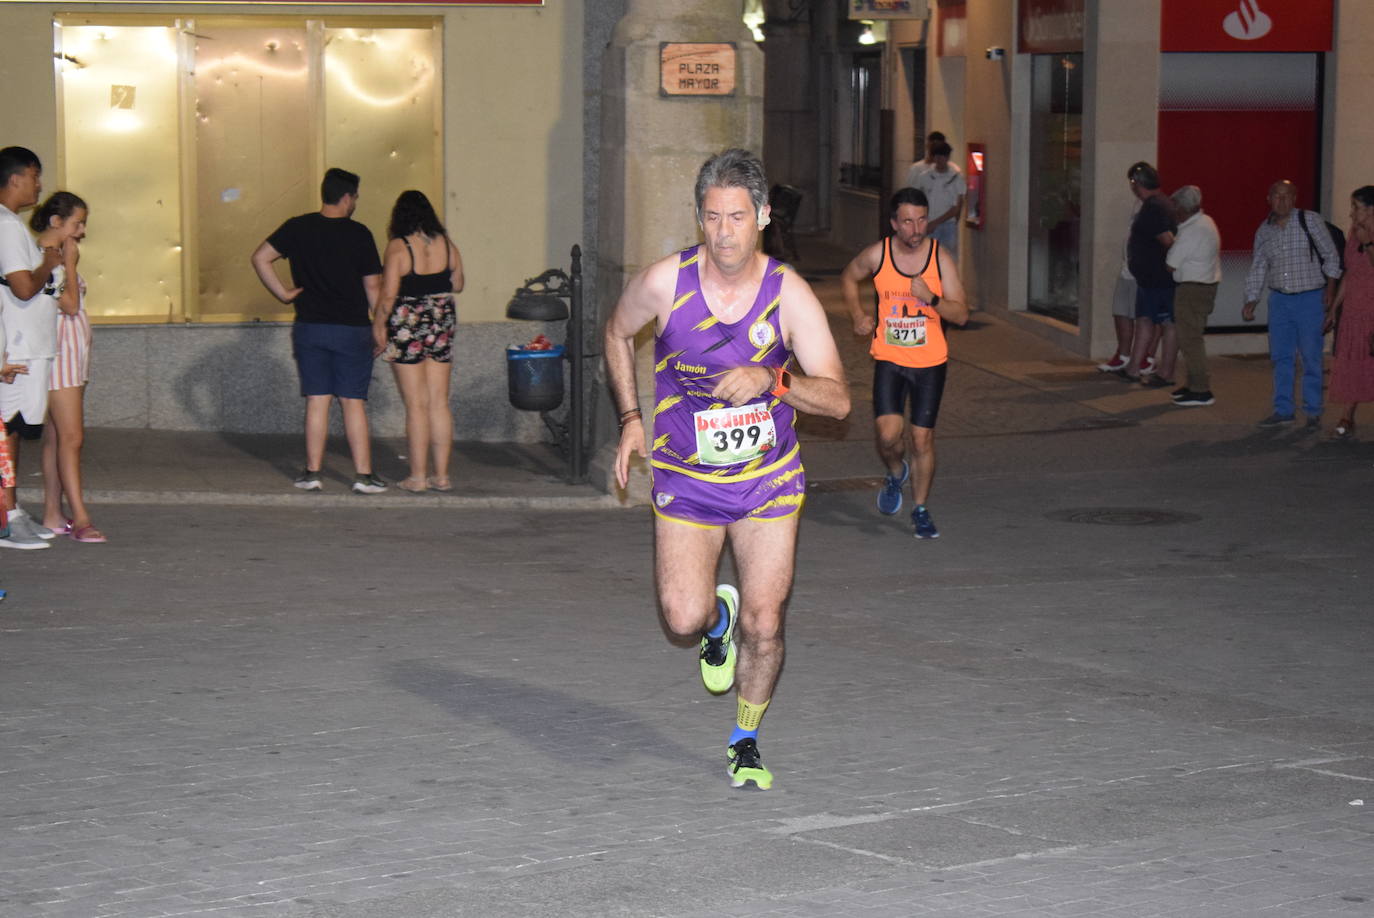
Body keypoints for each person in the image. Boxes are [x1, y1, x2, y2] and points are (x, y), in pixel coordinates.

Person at [604, 149, 849, 790]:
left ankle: (745, 737)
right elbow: (613, 332)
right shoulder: (665, 283)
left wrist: (774, 377)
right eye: (711, 217)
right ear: (699, 218)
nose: (723, 232)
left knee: (768, 624)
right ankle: (719, 618)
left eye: (737, 217)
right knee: (682, 618)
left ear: (763, 216)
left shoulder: (788, 295)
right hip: (687, 478)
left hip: (768, 480)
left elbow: (839, 398)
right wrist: (632, 418)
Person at [842, 187, 969, 539]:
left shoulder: (940, 258)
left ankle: (921, 508)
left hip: (930, 362)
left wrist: (932, 298)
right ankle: (897, 472)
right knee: (888, 436)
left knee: (922, 439)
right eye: (908, 221)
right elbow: (849, 277)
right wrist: (857, 315)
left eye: (922, 219)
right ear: (895, 223)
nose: (917, 228)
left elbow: (961, 314)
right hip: (890, 359)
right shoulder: (877, 255)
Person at [252, 167, 387, 493]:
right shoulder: (359, 234)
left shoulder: (297, 227)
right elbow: (373, 287)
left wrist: (283, 293)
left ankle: (312, 473)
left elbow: (260, 258)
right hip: (351, 328)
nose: (355, 202)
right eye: (355, 197)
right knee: (352, 401)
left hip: (310, 326)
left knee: (317, 400)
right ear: (346, 197)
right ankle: (363, 476)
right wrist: (380, 326)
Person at [371, 190, 464, 492]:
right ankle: (442, 476)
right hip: (441, 317)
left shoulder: (398, 247)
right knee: (439, 401)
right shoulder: (447, 244)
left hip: (408, 321)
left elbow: (387, 295)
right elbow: (458, 283)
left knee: (416, 404)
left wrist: (378, 326)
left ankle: (418, 477)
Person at [0, 146, 63, 550]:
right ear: (17, 177)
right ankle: (7, 518)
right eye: (36, 175)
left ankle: (12, 510)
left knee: (16, 430)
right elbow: (23, 287)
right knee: (6, 432)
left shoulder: (11, 224)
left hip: (27, 344)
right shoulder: (5, 226)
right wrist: (48, 258)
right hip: (18, 347)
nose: (39, 184)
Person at [30, 192, 103, 541]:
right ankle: (81, 517)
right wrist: (71, 265)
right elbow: (70, 305)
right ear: (57, 222)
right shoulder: (46, 259)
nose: (83, 231)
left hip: (70, 356)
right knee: (73, 438)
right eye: (78, 223)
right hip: (59, 357)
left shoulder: (54, 257)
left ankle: (52, 514)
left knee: (57, 437)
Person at [1242, 180, 1342, 429]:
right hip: (1280, 300)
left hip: (1310, 298)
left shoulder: (1309, 221)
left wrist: (1330, 290)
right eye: (1277, 196)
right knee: (1281, 357)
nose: (1282, 201)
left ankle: (1312, 409)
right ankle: (1283, 409)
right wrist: (1251, 299)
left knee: (1311, 356)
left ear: (1295, 198)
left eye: (1287, 196)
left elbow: (1331, 255)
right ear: (1269, 199)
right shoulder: (1264, 231)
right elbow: (1258, 267)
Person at [1118, 162, 1177, 386]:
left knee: (1166, 323)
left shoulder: (1155, 207)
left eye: (1133, 183)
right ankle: (1135, 367)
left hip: (1158, 279)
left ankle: (1163, 372)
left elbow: (1167, 240)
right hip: (1151, 278)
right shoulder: (1158, 204)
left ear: (1138, 184)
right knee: (1147, 320)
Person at [1325, 186, 1374, 438]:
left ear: (1371, 209)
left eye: (1356, 207)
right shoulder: (1354, 233)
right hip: (1354, 308)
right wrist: (1334, 310)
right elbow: (1350, 274)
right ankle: (1347, 415)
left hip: (1372, 307)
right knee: (1352, 361)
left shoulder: (1366, 237)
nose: (1352, 212)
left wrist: (1369, 243)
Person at [1165, 185, 1221, 407]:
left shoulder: (1192, 230)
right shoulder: (1205, 223)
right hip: (1202, 286)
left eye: (1175, 207)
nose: (1173, 212)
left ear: (1182, 208)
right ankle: (1192, 384)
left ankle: (1201, 390)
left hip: (1192, 289)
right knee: (1190, 337)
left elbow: (1170, 264)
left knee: (1190, 340)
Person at [913, 141, 966, 262]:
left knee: (948, 259)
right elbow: (918, 201)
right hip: (928, 223)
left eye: (942, 156)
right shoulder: (924, 177)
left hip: (948, 225)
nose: (939, 159)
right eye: (936, 156)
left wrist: (936, 223)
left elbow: (956, 206)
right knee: (928, 258)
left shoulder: (956, 177)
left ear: (947, 157)